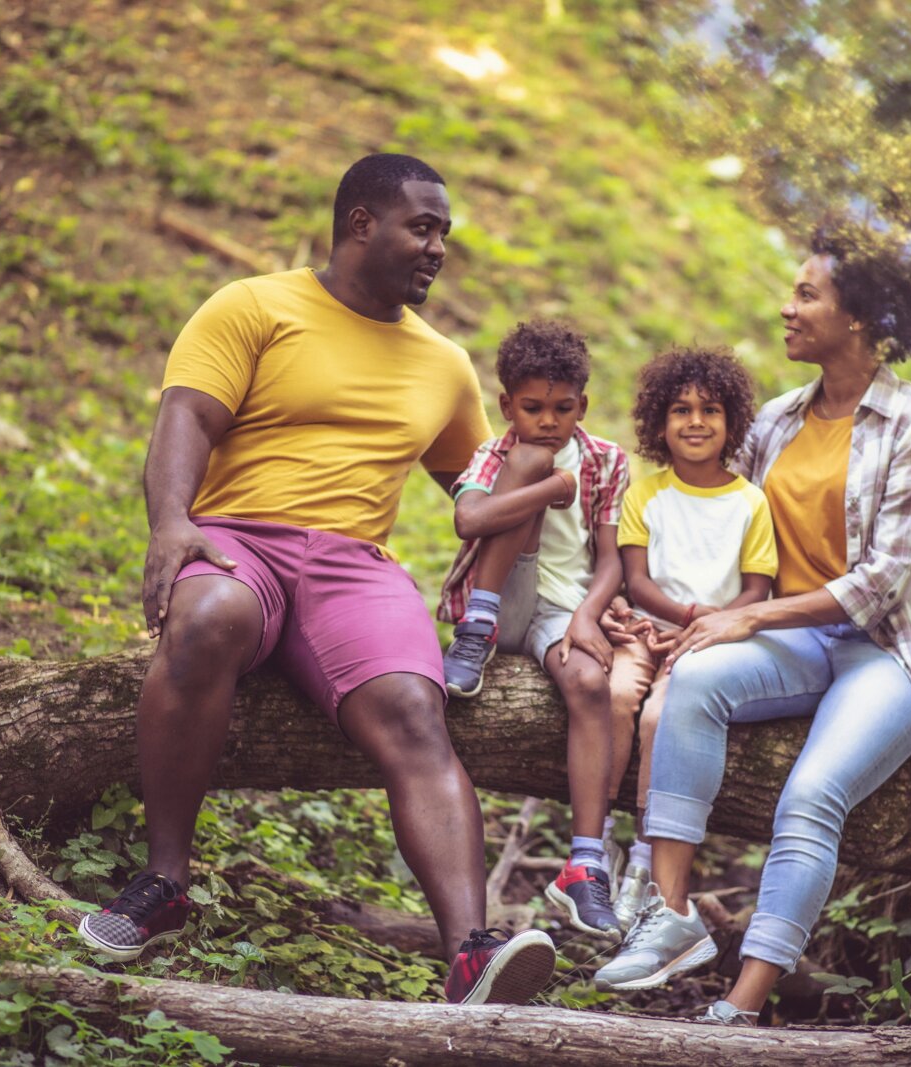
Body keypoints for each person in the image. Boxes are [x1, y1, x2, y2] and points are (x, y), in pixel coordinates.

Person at [77, 153, 558, 1008]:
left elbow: (477, 486)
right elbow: (187, 412)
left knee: (415, 706)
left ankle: (470, 954)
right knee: (207, 620)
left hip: (352, 567)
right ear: (361, 223)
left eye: (444, 233)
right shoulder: (254, 305)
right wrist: (173, 525)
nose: (437, 248)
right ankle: (165, 881)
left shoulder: (443, 364)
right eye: (422, 227)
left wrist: (576, 496)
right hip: (238, 540)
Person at [592, 226, 911, 1026]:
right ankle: (669, 916)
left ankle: (740, 1006)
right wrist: (671, 610)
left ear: (864, 318)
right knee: (695, 678)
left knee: (809, 795)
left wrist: (749, 615)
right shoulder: (774, 420)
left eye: (807, 294)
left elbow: (881, 584)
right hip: (797, 642)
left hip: (889, 653)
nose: (787, 306)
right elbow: (718, 524)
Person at [436, 320, 631, 939]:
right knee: (528, 464)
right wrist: (547, 485)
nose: (549, 420)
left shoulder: (605, 461)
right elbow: (469, 519)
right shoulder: (501, 453)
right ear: (506, 405)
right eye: (533, 407)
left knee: (589, 684)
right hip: (501, 599)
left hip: (561, 611)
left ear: (584, 404)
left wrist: (585, 615)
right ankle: (477, 631)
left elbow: (610, 560)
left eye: (564, 408)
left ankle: (585, 863)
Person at [602, 345, 777, 928]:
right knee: (618, 698)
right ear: (660, 422)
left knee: (658, 719)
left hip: (707, 646)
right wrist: (677, 613)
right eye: (680, 409)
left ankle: (645, 861)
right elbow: (635, 578)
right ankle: (598, 843)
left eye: (710, 410)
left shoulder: (751, 503)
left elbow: (756, 590)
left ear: (732, 424)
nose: (695, 422)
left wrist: (706, 624)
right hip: (645, 631)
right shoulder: (646, 494)